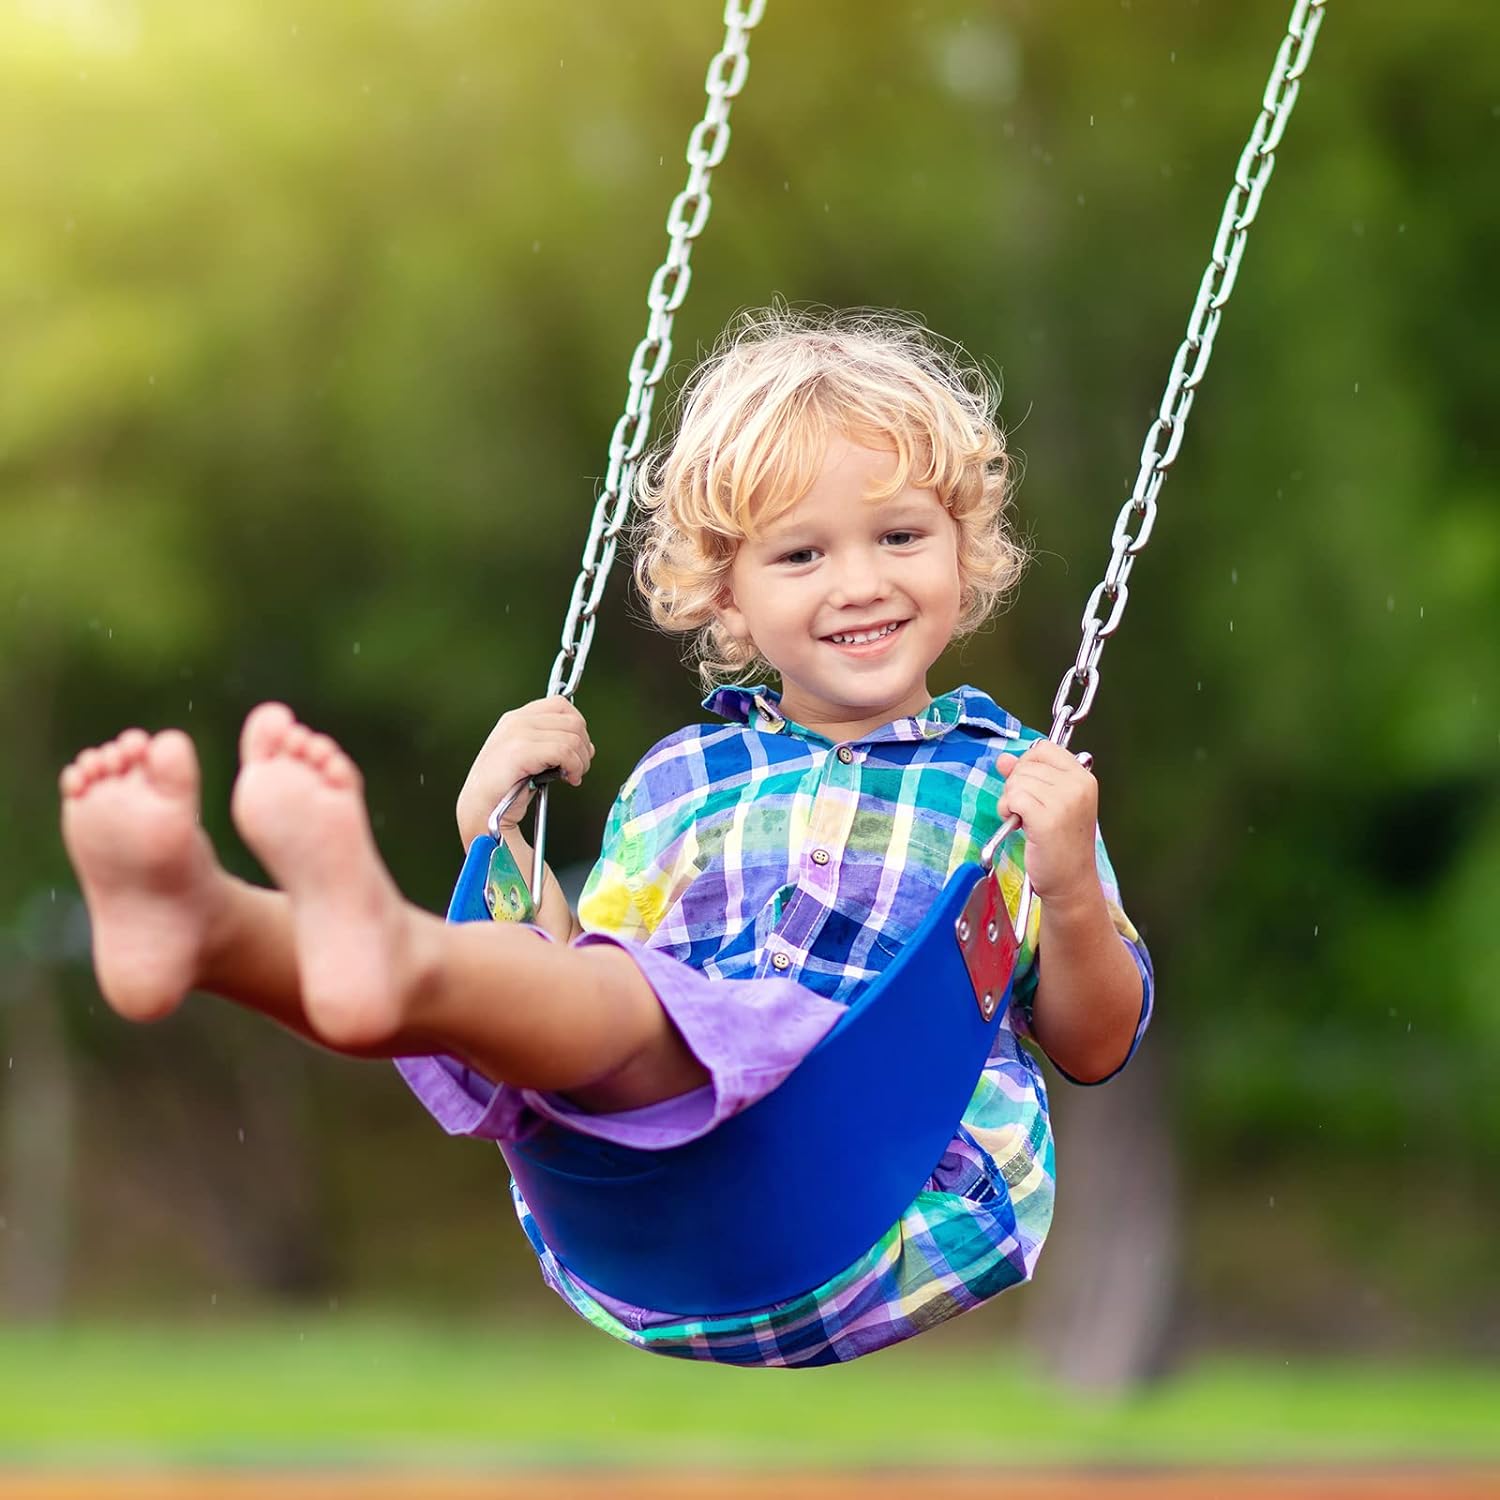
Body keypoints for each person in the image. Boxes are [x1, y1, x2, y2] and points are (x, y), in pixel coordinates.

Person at [59, 307, 1153, 1366]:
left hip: (892, 1188)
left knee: (635, 1009)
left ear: (965, 552)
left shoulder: (1016, 788)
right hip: (653, 1199)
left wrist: (1065, 886)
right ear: (727, 597)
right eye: (801, 555)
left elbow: (1096, 1043)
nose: (860, 583)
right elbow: (585, 977)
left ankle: (374, 951)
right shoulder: (684, 780)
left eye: (901, 536)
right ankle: (216, 929)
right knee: (580, 997)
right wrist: (494, 836)